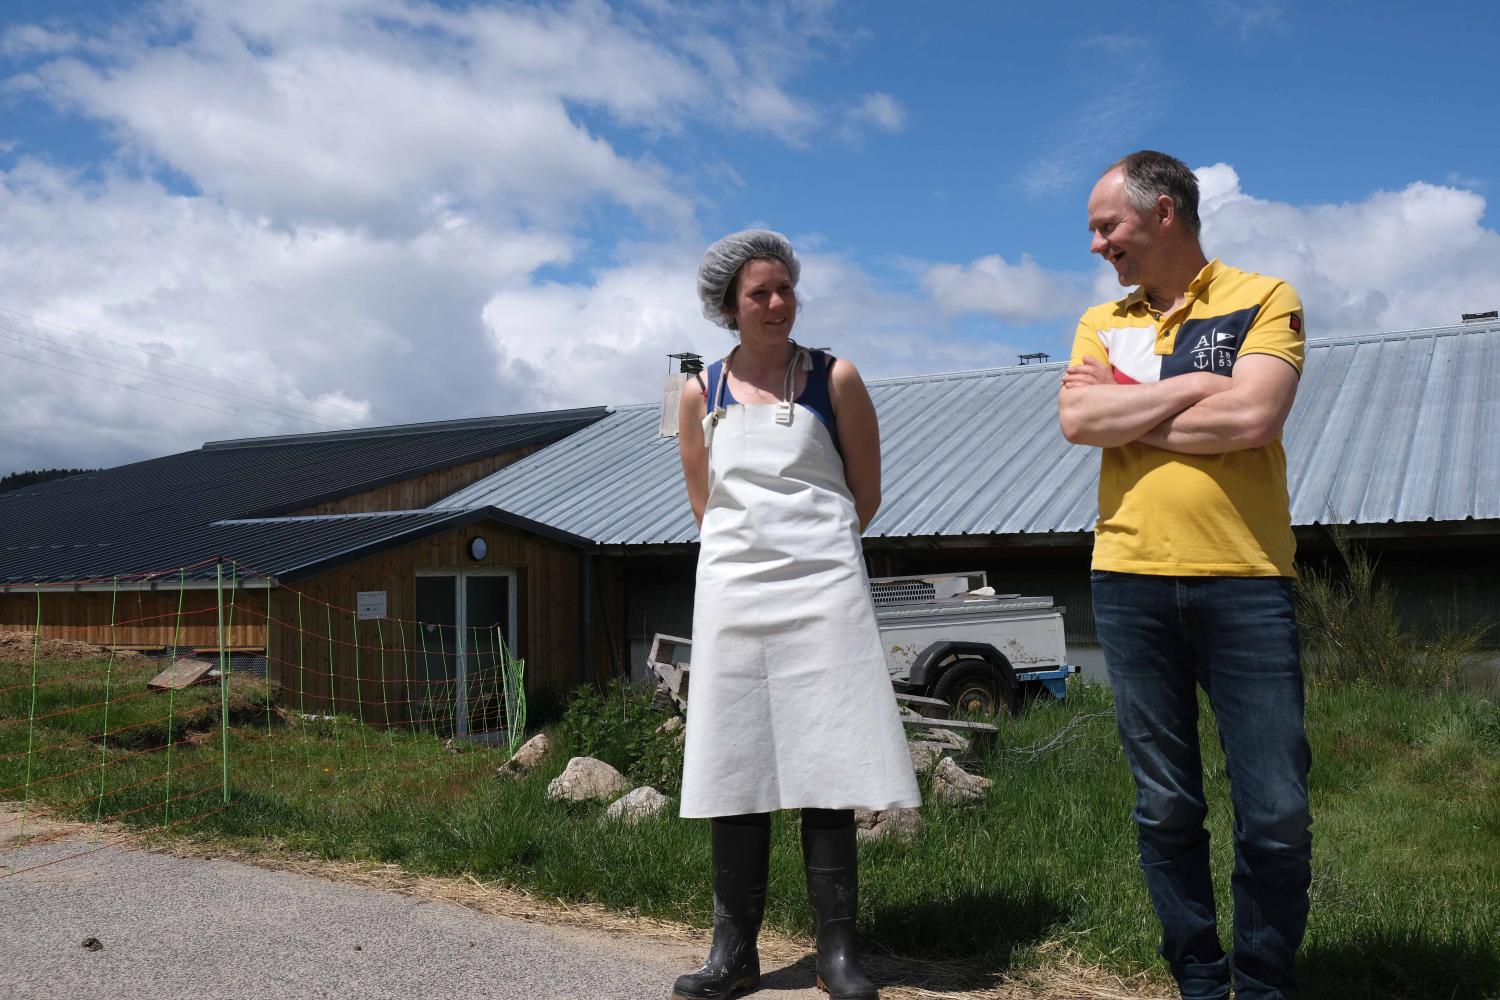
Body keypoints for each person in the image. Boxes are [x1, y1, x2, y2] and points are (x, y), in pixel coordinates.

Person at [1057, 151, 1312, 1000]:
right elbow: (1077, 417)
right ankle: (1201, 985)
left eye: (1107, 226)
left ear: (1162, 212)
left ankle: (1265, 987)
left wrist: (1136, 407)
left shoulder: (1264, 297)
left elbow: (1253, 414)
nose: (1097, 245)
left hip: (1245, 578)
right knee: (1166, 805)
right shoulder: (1103, 320)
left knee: (1274, 808)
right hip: (1126, 579)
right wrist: (1198, 382)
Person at [672, 229, 920, 1000]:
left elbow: (864, 494)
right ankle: (733, 953)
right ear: (729, 307)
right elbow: (703, 505)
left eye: (785, 289)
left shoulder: (834, 376)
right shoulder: (698, 391)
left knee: (829, 757)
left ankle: (836, 953)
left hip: (822, 587)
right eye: (760, 294)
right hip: (736, 590)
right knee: (734, 761)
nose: (778, 304)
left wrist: (816, 551)